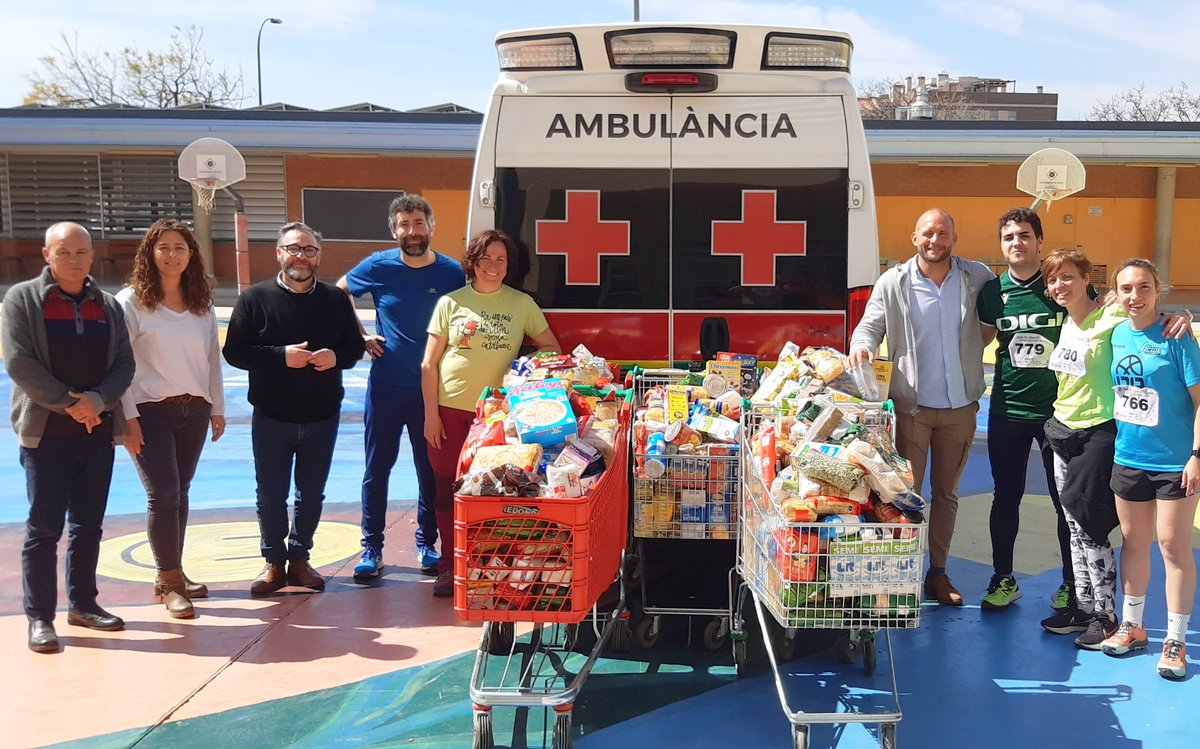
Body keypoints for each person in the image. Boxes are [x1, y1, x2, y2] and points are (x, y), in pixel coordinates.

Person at [848, 208, 992, 606]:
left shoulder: (976, 276)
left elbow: (1013, 298)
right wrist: (862, 345)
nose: (935, 240)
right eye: (928, 233)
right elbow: (869, 325)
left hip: (959, 407)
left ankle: (938, 573)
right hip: (911, 408)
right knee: (902, 493)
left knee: (946, 494)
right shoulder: (893, 282)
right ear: (914, 237)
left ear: (954, 239)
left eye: (943, 233)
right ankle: (901, 573)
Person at [2, 222, 135, 653]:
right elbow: (20, 363)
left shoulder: (109, 306)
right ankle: (40, 617)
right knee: (44, 528)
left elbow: (123, 364)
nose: (73, 260)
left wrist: (97, 401)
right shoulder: (22, 299)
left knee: (89, 526)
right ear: (47, 255)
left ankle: (83, 604)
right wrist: (68, 403)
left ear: (91, 256)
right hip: (47, 435)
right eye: (64, 252)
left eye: (81, 252)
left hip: (96, 433)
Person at [223, 221, 365, 596]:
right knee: (270, 495)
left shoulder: (335, 299)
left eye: (309, 250)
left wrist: (335, 356)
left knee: (311, 493)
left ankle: (300, 559)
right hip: (271, 416)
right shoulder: (255, 299)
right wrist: (281, 356)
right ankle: (273, 561)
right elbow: (234, 352)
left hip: (321, 416)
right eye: (294, 248)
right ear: (278, 253)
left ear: (318, 256)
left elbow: (353, 348)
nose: (301, 256)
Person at [421, 229, 561, 597]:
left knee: (493, 494)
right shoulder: (451, 303)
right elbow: (428, 364)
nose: (493, 267)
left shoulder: (521, 304)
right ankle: (449, 566)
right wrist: (430, 415)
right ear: (473, 262)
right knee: (446, 492)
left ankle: (488, 567)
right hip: (449, 411)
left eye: (501, 259)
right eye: (486, 259)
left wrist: (521, 372)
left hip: (496, 418)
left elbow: (550, 348)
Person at [337, 195, 463, 581]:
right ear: (394, 231)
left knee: (430, 469)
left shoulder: (452, 272)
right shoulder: (378, 265)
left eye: (418, 223)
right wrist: (359, 336)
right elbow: (339, 292)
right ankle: (371, 548)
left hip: (433, 390)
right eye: (404, 225)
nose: (412, 232)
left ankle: (427, 543)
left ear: (431, 227)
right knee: (378, 467)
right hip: (387, 386)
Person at [117, 219, 225, 619]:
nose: (172, 254)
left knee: (180, 492)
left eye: (180, 247)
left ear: (191, 254)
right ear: (150, 253)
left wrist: (216, 407)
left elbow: (212, 358)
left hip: (193, 409)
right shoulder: (131, 302)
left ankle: (172, 573)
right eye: (163, 247)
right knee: (162, 494)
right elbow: (120, 364)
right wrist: (127, 417)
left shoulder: (202, 303)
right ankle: (171, 583)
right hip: (149, 411)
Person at [1101, 259, 1200, 681]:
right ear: (1115, 294)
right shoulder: (1116, 332)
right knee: (1133, 544)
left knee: (1173, 547)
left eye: (1143, 287)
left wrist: (1197, 455)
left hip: (1176, 464)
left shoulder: (1177, 336)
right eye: (1126, 288)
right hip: (1128, 458)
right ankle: (1132, 625)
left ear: (1158, 291)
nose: (1134, 296)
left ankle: (1175, 639)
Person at [975, 208, 1074, 611]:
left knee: (1064, 501)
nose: (1017, 242)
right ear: (1002, 245)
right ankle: (1003, 578)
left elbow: (1109, 319)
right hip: (1007, 410)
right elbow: (975, 342)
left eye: (1025, 235)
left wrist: (1176, 316)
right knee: (1006, 496)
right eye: (1009, 237)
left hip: (1059, 413)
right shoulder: (992, 293)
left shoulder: (1061, 288)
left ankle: (1072, 582)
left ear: (1039, 241)